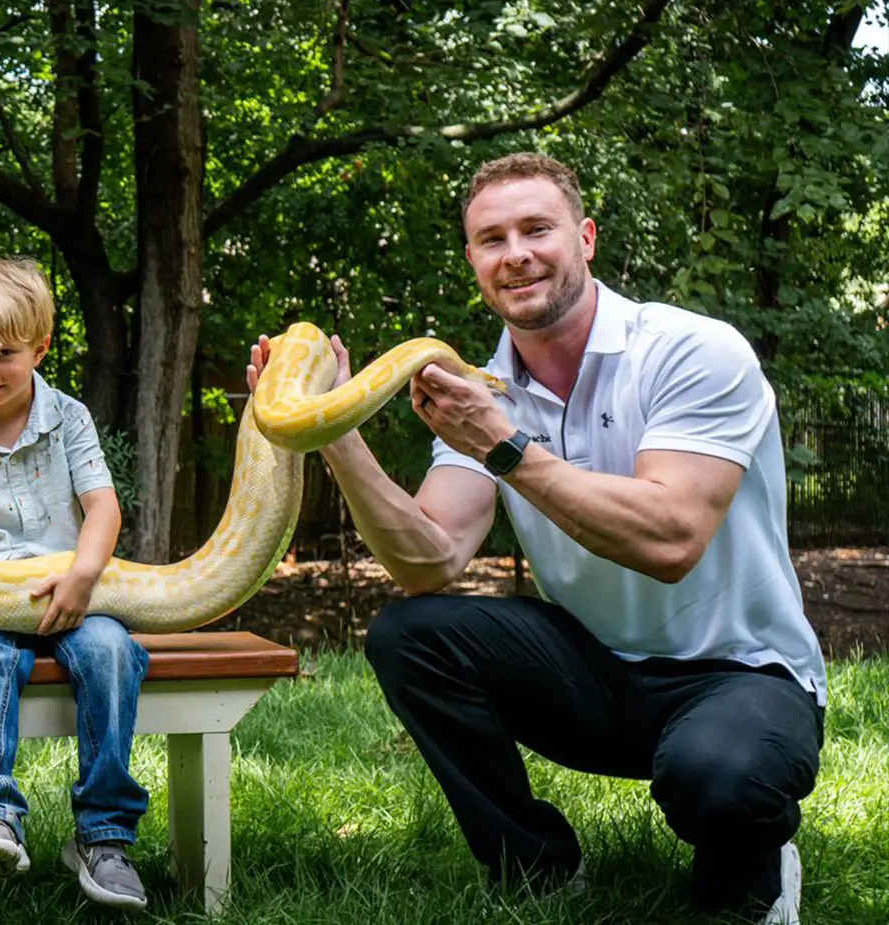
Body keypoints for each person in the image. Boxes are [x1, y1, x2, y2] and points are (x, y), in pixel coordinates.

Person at [246, 153, 822, 924]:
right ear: (474, 262)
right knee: (412, 632)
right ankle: (539, 871)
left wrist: (507, 446)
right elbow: (429, 558)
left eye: (536, 229)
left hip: (744, 675)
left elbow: (672, 536)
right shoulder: (481, 390)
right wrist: (335, 429)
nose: (515, 252)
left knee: (719, 779)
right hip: (598, 677)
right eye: (491, 238)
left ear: (584, 238)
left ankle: (757, 864)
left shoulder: (690, 350)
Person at [0, 258, 150, 911]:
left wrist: (83, 575)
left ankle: (104, 835)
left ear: (40, 348)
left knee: (110, 650)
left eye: (4, 354)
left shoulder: (68, 418)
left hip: (70, 592)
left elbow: (102, 508)